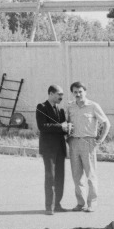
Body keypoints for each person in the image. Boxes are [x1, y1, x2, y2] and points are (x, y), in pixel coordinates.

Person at [65, 81, 110, 213]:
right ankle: (81, 203)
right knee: (76, 175)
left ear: (85, 92)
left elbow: (107, 124)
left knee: (90, 175)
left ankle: (92, 203)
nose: (78, 94)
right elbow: (66, 123)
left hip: (88, 143)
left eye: (80, 91)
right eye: (75, 92)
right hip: (73, 142)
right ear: (72, 93)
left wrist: (100, 140)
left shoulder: (93, 106)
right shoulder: (70, 107)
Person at [36, 84, 69, 215]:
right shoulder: (41, 107)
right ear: (51, 93)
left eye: (62, 94)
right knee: (50, 176)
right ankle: (49, 206)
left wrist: (67, 128)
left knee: (60, 177)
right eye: (59, 94)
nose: (62, 97)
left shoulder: (60, 110)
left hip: (60, 148)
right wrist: (61, 126)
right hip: (48, 149)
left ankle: (58, 204)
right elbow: (42, 126)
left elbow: (63, 127)